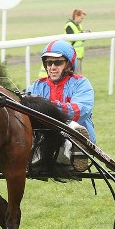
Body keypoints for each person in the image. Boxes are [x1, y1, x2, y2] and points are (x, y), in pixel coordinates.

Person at [27, 40, 96, 171]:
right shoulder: (36, 86)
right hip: (45, 138)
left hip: (71, 134)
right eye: (49, 63)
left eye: (58, 62)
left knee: (72, 125)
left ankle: (78, 154)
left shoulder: (81, 84)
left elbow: (79, 111)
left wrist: (46, 106)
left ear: (69, 65)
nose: (52, 67)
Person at [64, 9, 89, 74]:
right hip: (72, 54)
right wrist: (82, 33)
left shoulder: (79, 25)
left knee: (79, 74)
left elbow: (80, 39)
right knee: (75, 75)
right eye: (81, 18)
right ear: (76, 16)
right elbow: (72, 38)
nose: (82, 20)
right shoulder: (69, 25)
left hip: (79, 54)